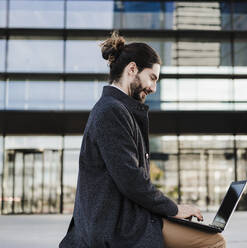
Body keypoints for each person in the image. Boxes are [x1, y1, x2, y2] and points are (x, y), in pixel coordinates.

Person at [59, 31, 226, 248]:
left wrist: (170, 210)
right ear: (132, 69)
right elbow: (131, 179)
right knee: (213, 241)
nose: (153, 88)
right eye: (152, 78)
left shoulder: (116, 109)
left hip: (125, 218)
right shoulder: (111, 111)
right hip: (117, 226)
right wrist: (174, 209)